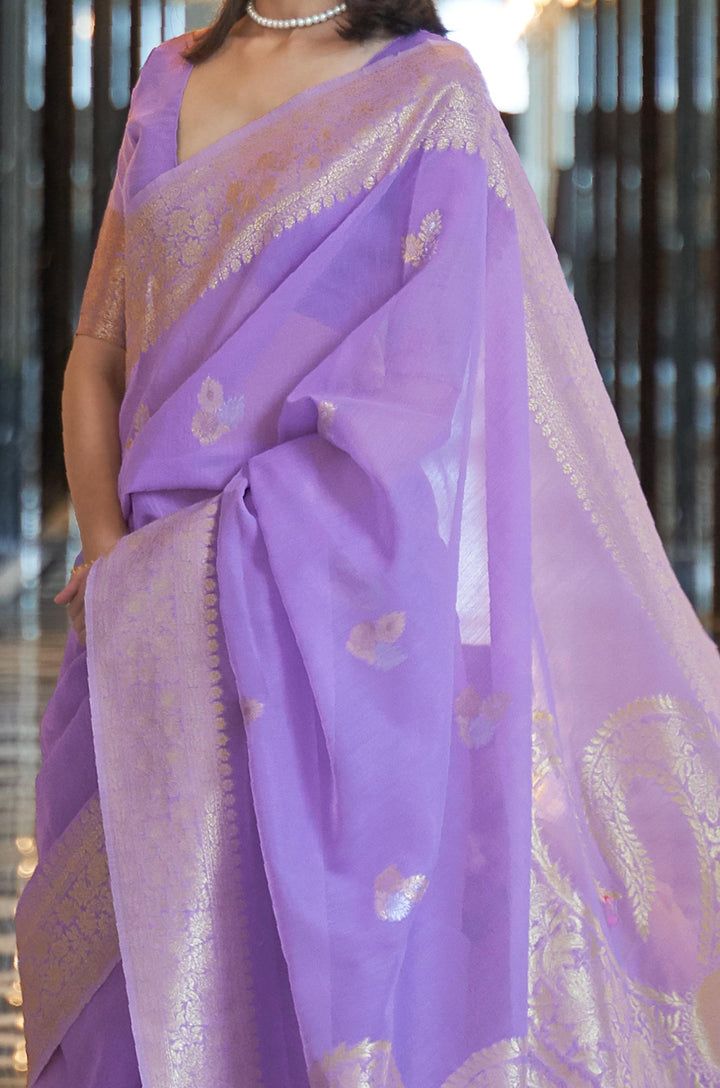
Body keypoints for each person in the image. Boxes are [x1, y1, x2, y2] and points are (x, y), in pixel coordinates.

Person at [15, 1, 720, 1085]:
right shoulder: (166, 81)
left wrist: (217, 554)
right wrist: (116, 565)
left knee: (312, 997)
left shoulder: (430, 95)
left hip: (340, 629)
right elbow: (95, 356)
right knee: (124, 1011)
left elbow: (418, 398)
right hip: (142, 633)